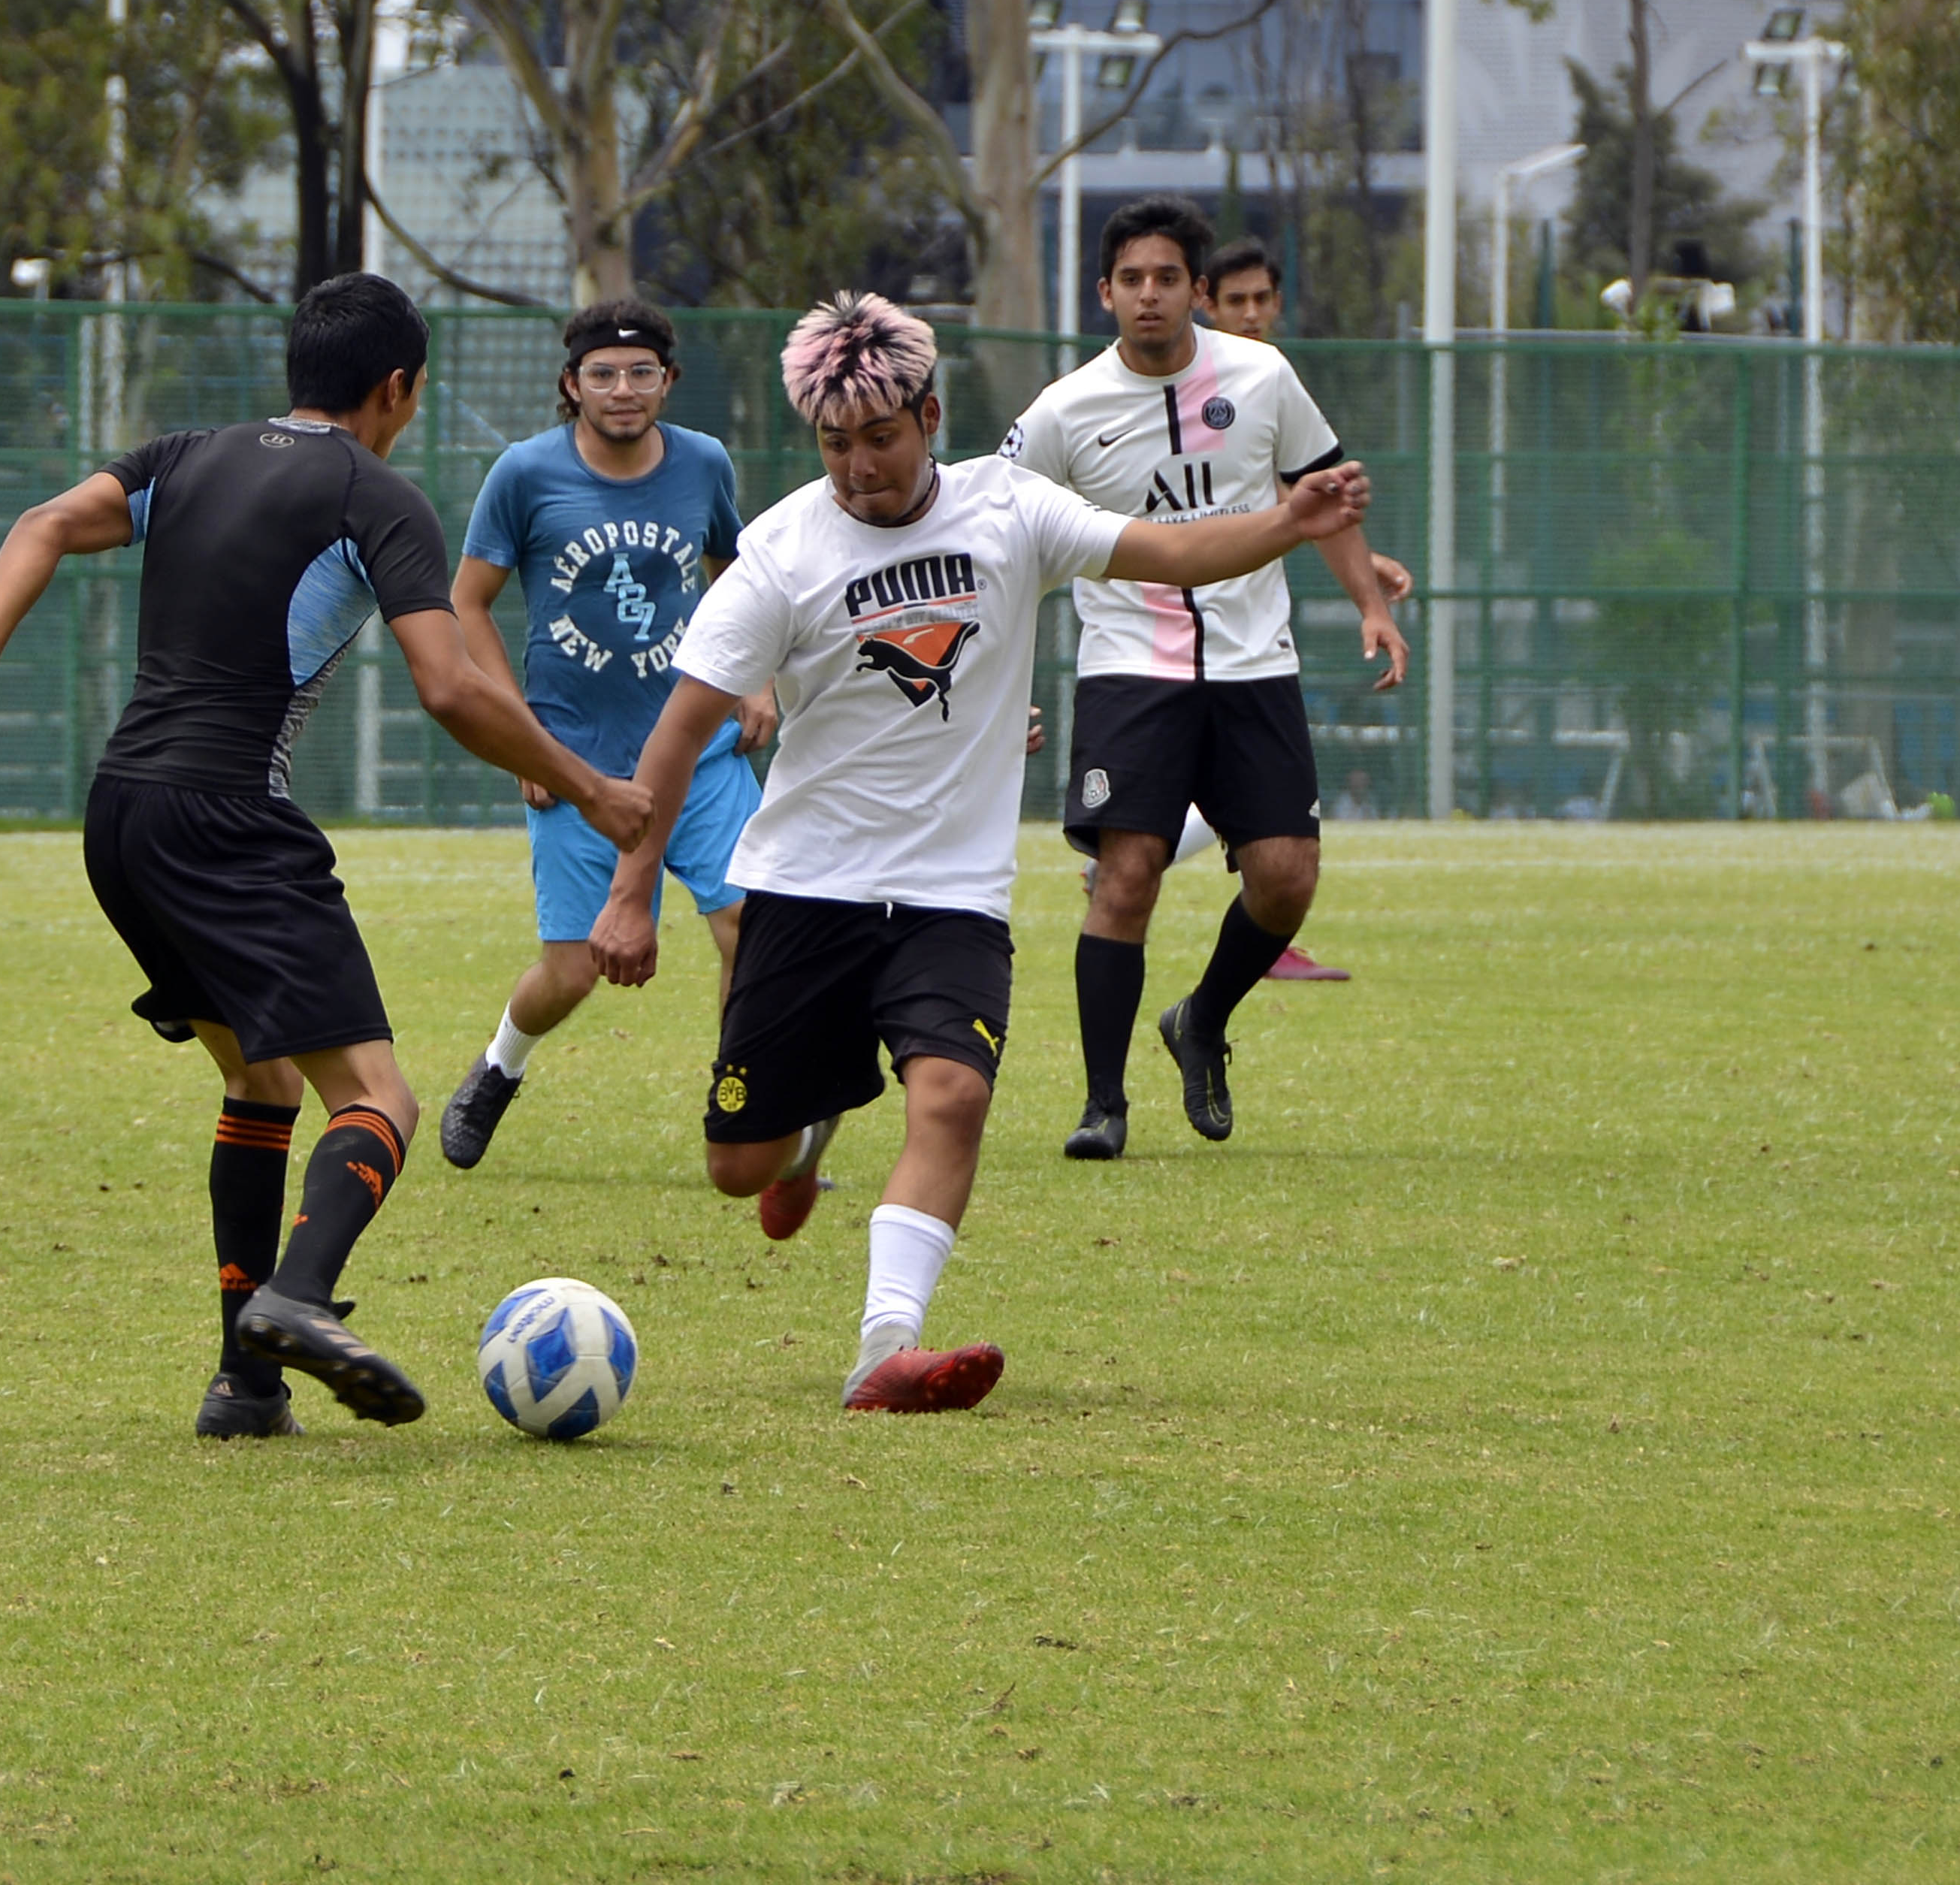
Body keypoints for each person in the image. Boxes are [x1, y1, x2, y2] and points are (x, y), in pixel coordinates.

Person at [594, 292, 1374, 1412]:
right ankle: (810, 1128)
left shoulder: (1011, 508)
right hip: (805, 888)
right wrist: (633, 898)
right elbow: (675, 734)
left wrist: (1289, 522)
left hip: (953, 893)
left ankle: (884, 1347)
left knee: (951, 1094)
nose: (859, 467)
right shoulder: (777, 553)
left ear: (930, 415)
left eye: (881, 437)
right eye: (835, 444)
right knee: (740, 1168)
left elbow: (1174, 551)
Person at [0, 273, 648, 1442]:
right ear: (397, 386)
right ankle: (296, 1302)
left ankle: (243, 1387)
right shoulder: (375, 491)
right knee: (380, 1098)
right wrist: (593, 789)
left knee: (258, 1081)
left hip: (122, 817)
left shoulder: (186, 455)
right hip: (225, 815)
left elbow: (41, 524)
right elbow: (452, 686)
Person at [1004, 198, 1406, 1163]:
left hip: (1253, 665)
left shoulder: (1263, 376)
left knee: (1285, 878)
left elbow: (1324, 495)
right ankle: (1104, 1105)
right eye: (1132, 279)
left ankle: (1201, 1019)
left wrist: (1370, 605)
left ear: (1197, 291)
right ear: (1105, 293)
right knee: (1127, 876)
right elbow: (1000, 546)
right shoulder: (1061, 411)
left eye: (1168, 278)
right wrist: (994, 681)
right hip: (1126, 671)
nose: (1150, 295)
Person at [436, 298, 778, 1171]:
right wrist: (520, 737)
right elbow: (467, 603)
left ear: (667, 382)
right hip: (575, 763)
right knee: (573, 972)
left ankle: (746, 1099)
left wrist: (758, 679)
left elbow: (735, 574)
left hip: (697, 755)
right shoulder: (523, 474)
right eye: (602, 374)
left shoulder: (703, 463)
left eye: (640, 373)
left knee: (750, 924)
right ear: (571, 384)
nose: (622, 390)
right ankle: (496, 1069)